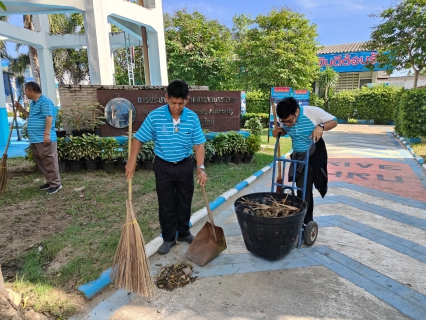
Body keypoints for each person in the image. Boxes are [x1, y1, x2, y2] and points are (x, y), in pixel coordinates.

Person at [125, 79, 207, 255]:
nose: (176, 107)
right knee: (166, 202)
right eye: (173, 102)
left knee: (185, 200)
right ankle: (169, 237)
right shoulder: (155, 116)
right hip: (163, 165)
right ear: (166, 98)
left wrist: (200, 167)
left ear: (187, 100)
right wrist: (132, 162)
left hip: (185, 165)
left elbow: (199, 145)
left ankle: (184, 232)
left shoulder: (192, 118)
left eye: (180, 103)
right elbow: (138, 139)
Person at [273, 97, 337, 225]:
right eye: (284, 122)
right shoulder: (286, 119)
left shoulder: (312, 112)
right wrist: (280, 131)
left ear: (296, 111)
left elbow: (334, 121)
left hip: (314, 153)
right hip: (298, 156)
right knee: (302, 189)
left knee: (305, 189)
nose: (288, 123)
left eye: (290, 121)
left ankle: (305, 222)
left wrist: (321, 126)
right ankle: (302, 220)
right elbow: (288, 129)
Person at [14, 81, 62, 194]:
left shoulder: (45, 101)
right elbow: (30, 117)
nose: (25, 93)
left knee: (49, 160)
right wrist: (21, 109)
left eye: (26, 90)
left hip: (43, 138)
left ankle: (56, 184)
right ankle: (50, 181)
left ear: (31, 90)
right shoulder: (34, 103)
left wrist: (47, 133)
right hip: (35, 139)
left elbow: (49, 118)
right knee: (41, 161)